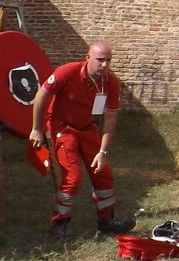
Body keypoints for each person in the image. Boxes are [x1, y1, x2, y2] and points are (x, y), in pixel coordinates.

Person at [28, 41, 134, 239]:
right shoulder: (66, 72)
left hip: (87, 127)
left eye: (108, 61)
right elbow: (41, 95)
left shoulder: (111, 83)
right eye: (100, 60)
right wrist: (36, 129)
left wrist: (103, 153)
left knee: (104, 173)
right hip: (62, 127)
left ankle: (106, 220)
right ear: (87, 58)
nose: (105, 65)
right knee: (73, 175)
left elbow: (110, 120)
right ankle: (60, 222)